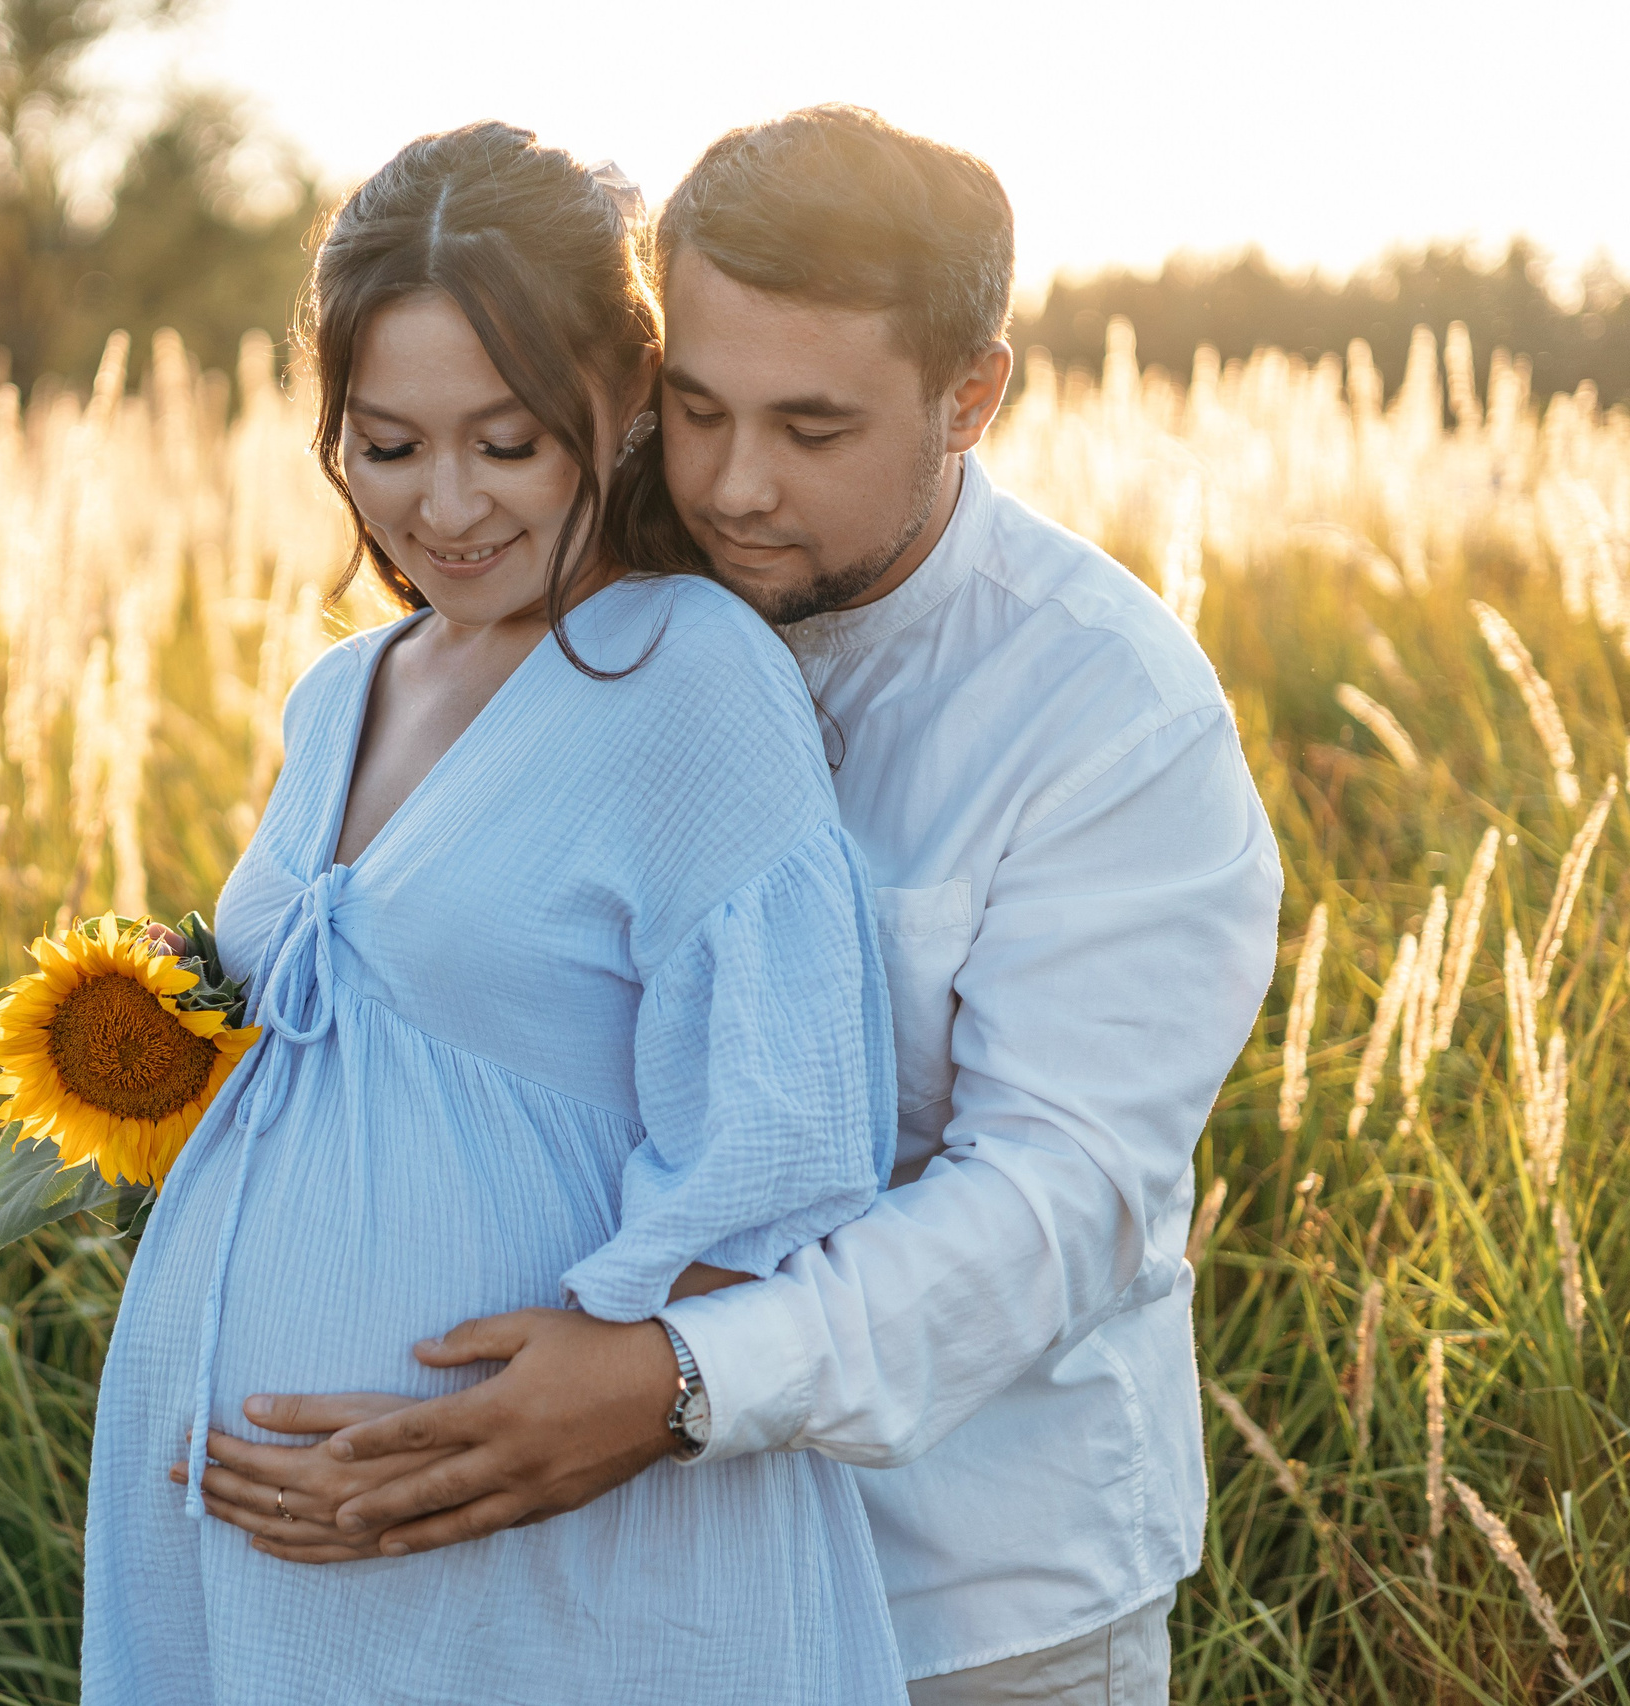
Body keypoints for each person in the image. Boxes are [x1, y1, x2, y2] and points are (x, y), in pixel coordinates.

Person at [187, 108, 1283, 1705]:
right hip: (608, 1592)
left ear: (971, 394)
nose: (737, 485)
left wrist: (673, 1380)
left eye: (815, 428)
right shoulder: (551, 616)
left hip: (969, 1599)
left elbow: (1060, 1195)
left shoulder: (1106, 714)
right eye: (694, 409)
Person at [81, 120, 910, 1703]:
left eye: (506, 442)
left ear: (621, 408)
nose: (444, 506)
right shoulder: (343, 693)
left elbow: (780, 1143)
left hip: (553, 1549)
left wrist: (547, 1429)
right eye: (387, 445)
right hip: (267, 1542)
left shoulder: (686, 674)